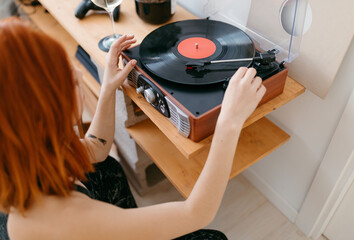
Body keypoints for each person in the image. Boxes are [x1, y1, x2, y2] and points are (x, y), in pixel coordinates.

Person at [0, 17, 266, 240]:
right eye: (67, 76)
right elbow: (196, 213)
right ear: (42, 112)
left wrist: (107, 88)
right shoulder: (62, 220)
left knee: (104, 168)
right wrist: (229, 122)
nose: (79, 74)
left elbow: (97, 147)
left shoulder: (25, 149)